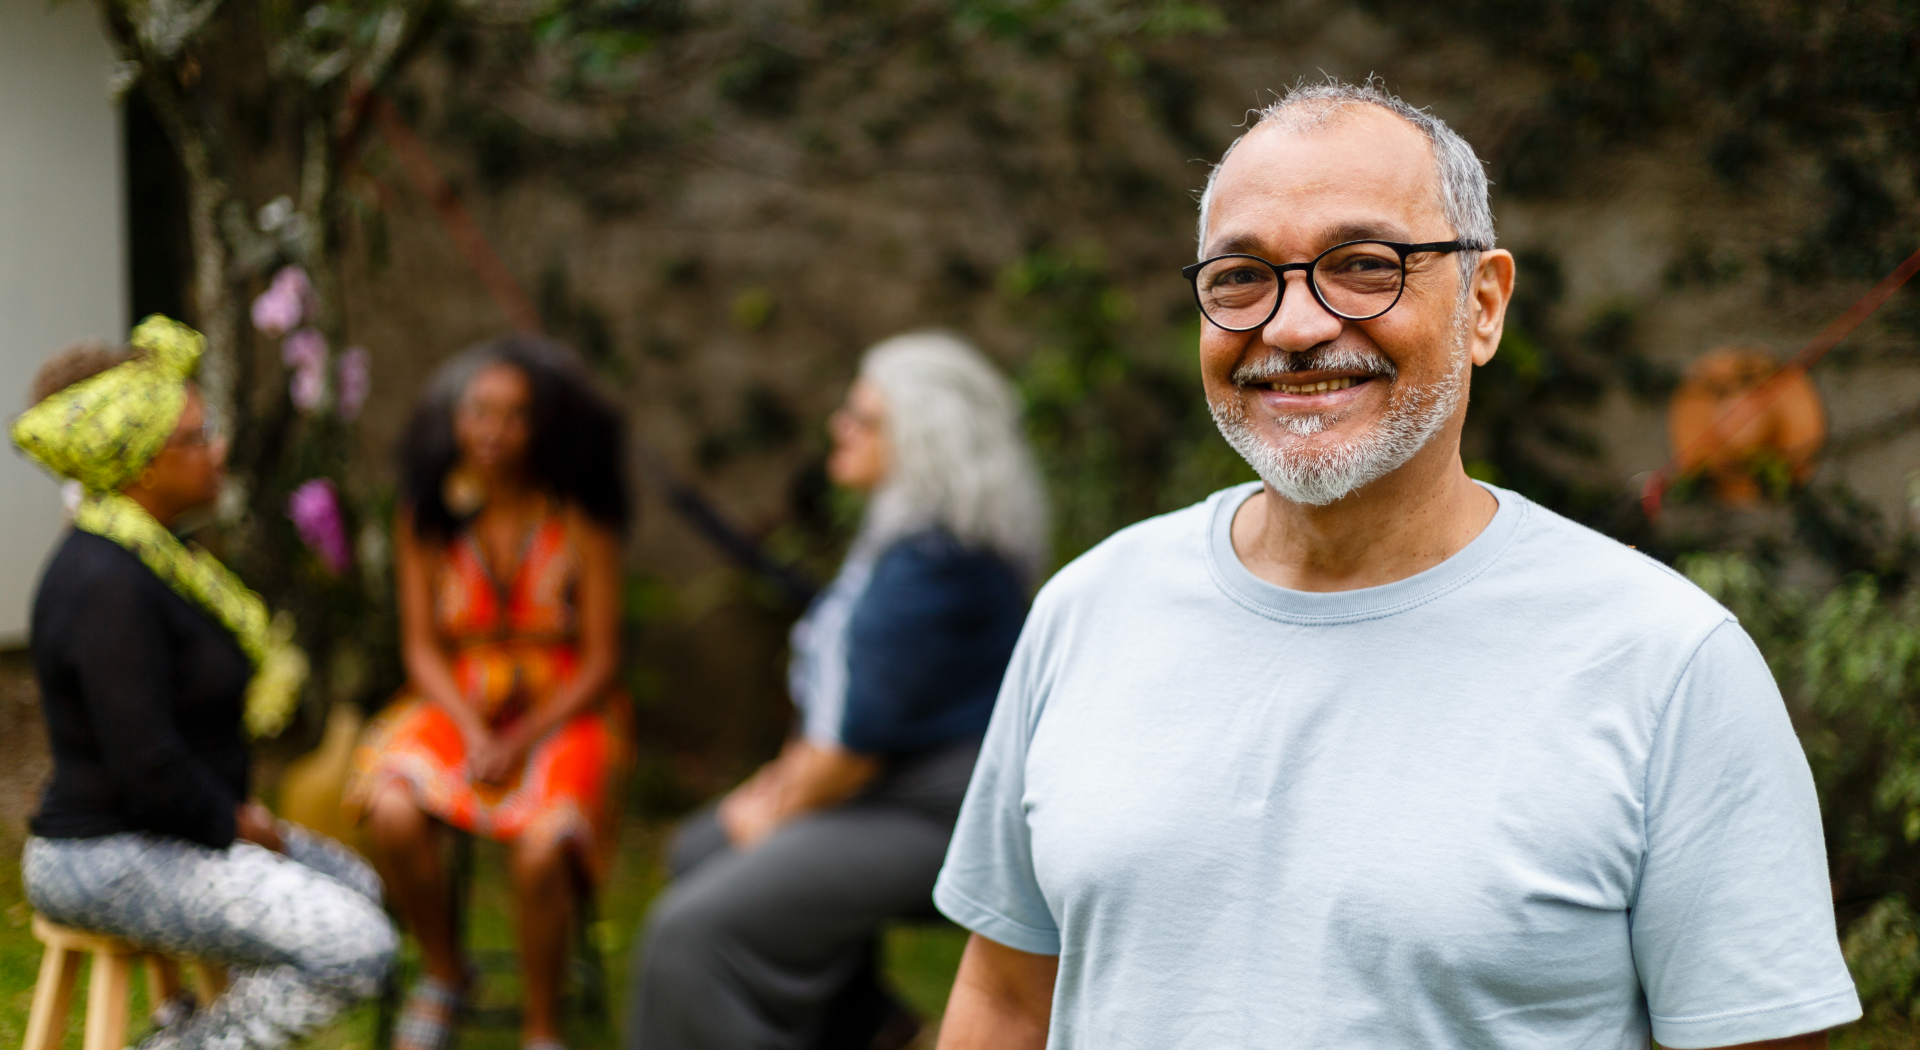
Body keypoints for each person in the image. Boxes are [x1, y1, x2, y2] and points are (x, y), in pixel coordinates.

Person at [932, 79, 1861, 1050]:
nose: (1291, 327)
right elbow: (1004, 999)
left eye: (1365, 264)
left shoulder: (1665, 663)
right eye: (1241, 276)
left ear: (1484, 304)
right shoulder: (1092, 608)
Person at [626, 331, 1047, 1050]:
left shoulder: (937, 565)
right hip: (887, 790)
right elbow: (843, 712)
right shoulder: (910, 537)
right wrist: (775, 790)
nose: (838, 429)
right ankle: (868, 1029)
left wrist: (777, 805)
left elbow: (850, 751)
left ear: (920, 438)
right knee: (699, 849)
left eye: (862, 418)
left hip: (940, 818)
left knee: (690, 934)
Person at [14, 317, 396, 1050]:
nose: (218, 450)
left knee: (362, 892)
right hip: (106, 857)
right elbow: (144, 766)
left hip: (169, 832)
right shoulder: (107, 584)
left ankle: (196, 1025)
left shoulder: (159, 561)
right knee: (357, 946)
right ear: (143, 467)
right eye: (196, 437)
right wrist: (232, 823)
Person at [346, 335, 632, 1050]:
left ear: (544, 427)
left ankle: (543, 1025)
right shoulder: (426, 515)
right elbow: (420, 648)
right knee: (391, 806)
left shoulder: (581, 517)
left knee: (540, 847)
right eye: (478, 411)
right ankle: (446, 973)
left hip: (563, 706)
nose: (492, 431)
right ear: (453, 417)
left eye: (514, 415)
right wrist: (475, 730)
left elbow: (600, 661)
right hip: (456, 698)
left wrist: (519, 738)